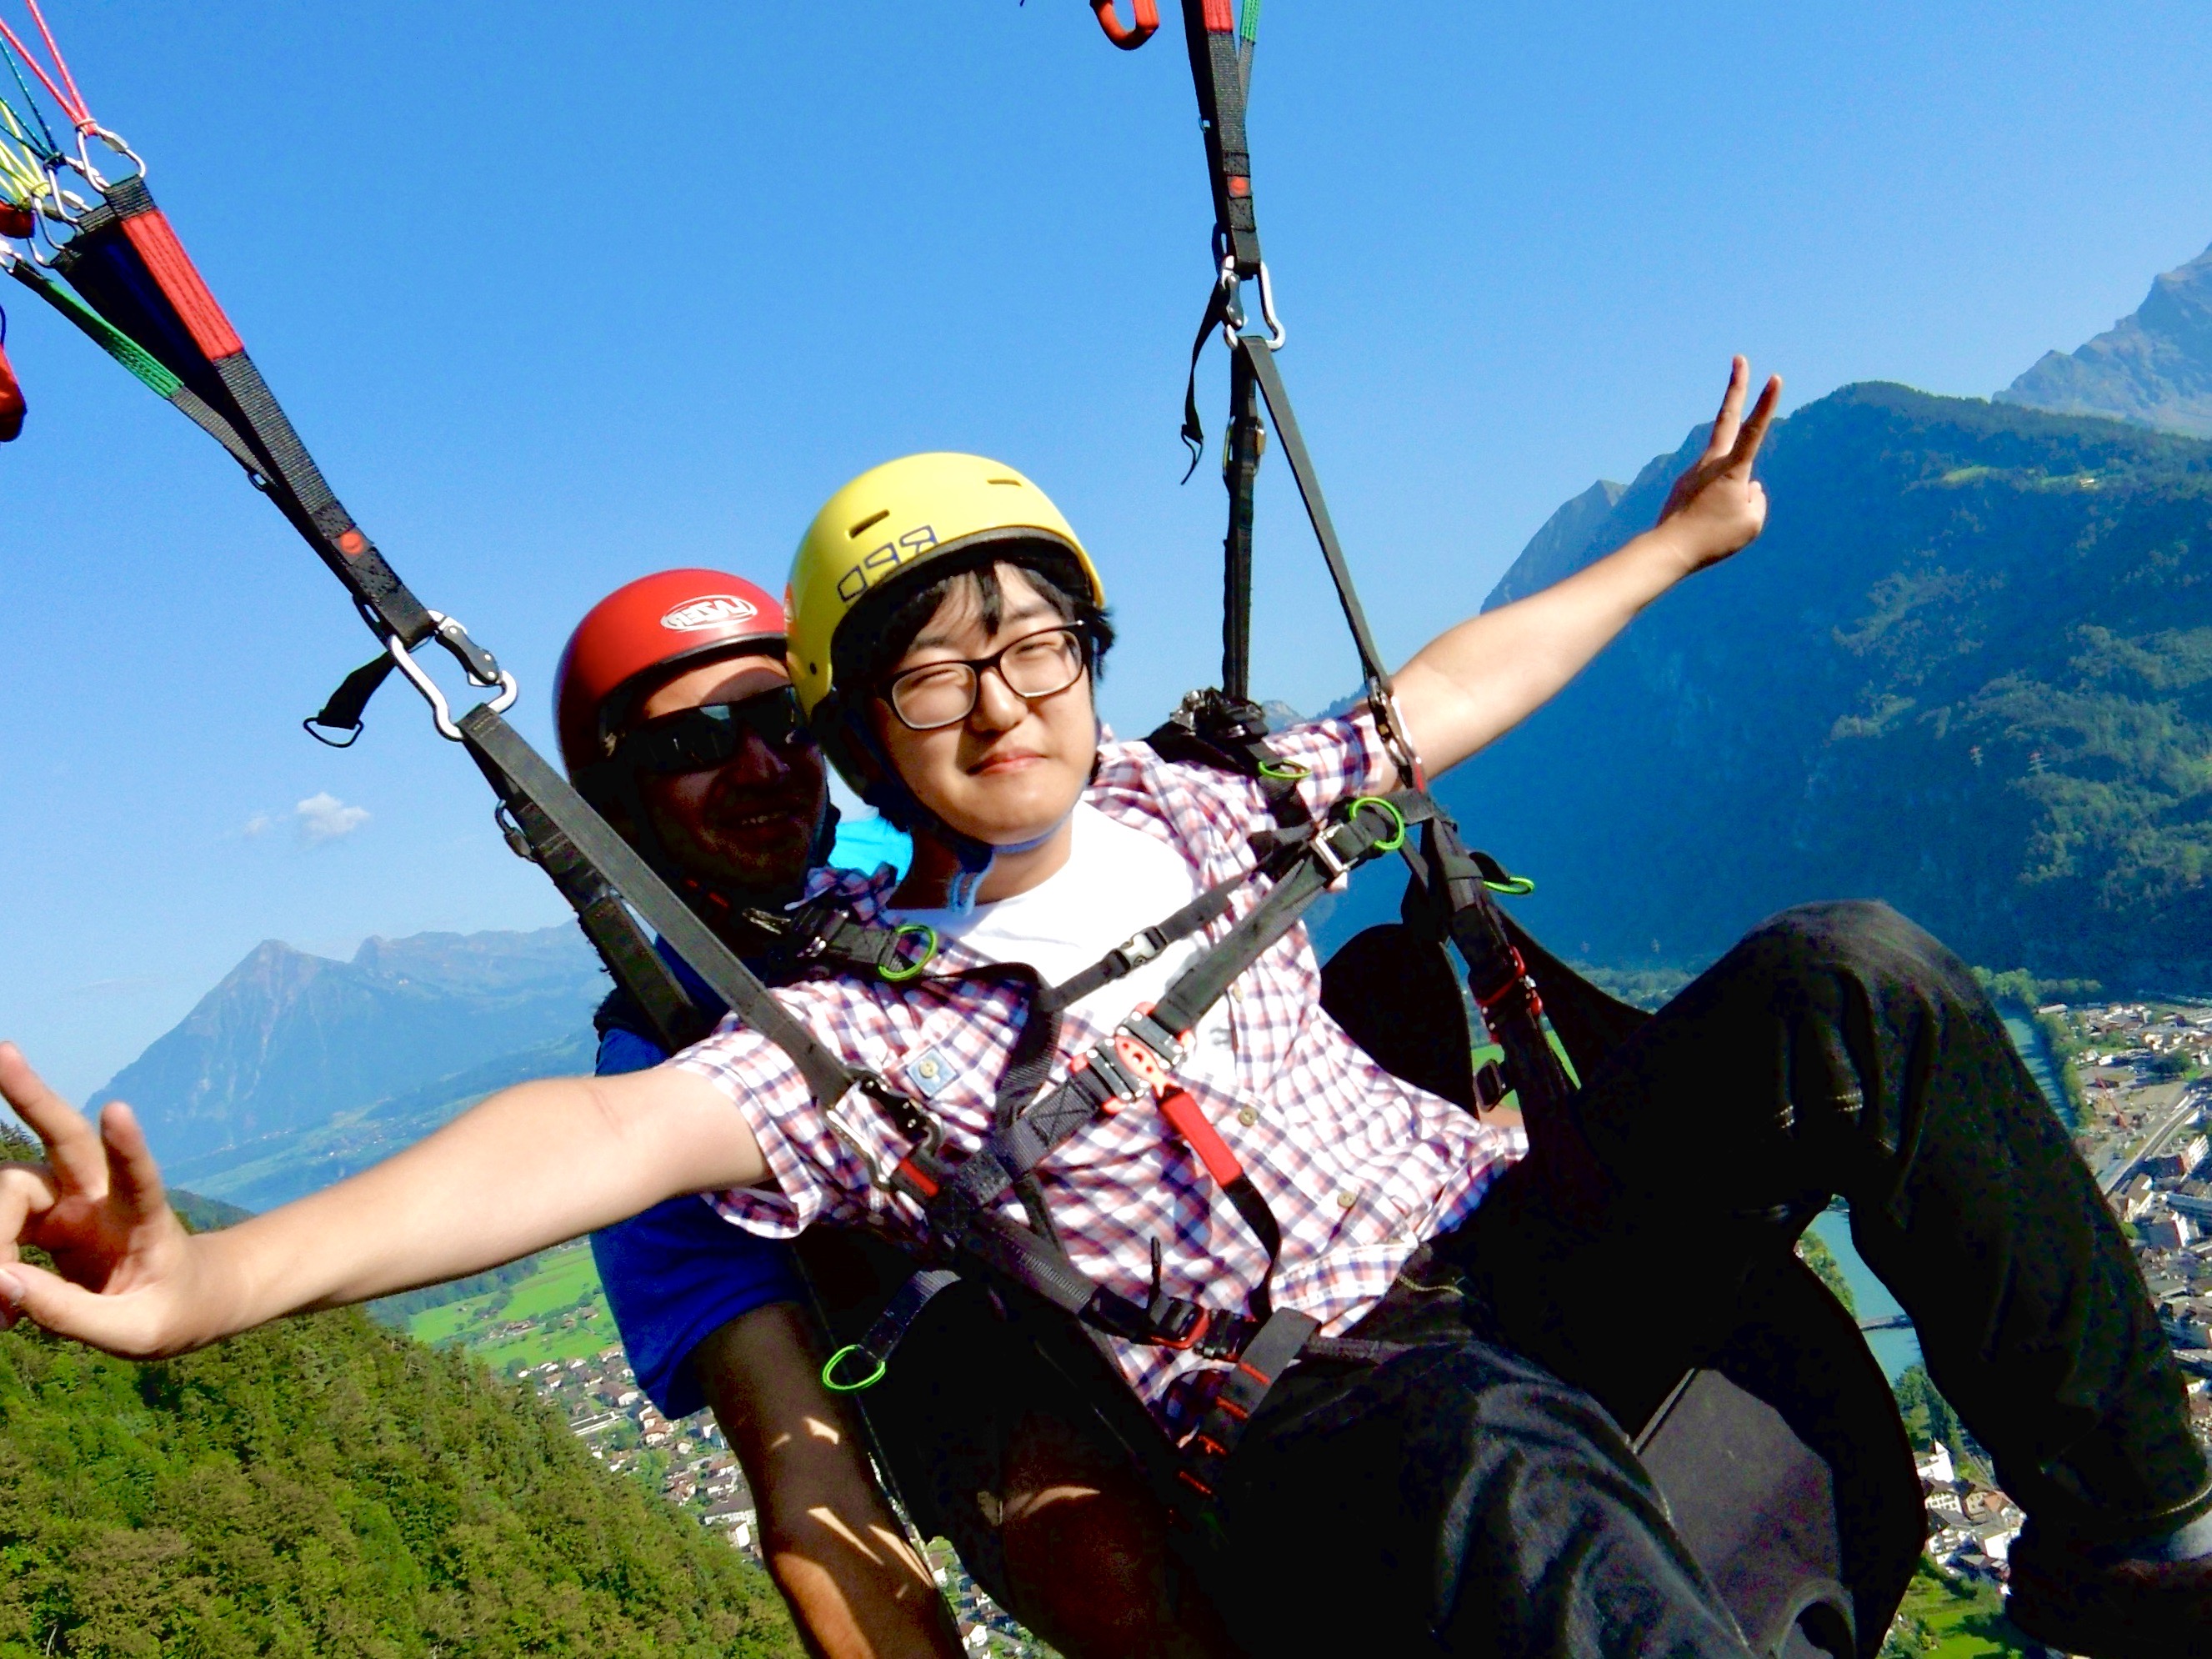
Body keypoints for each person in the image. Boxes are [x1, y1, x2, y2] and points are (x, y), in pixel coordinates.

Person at [1, 359, 2204, 1657]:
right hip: (1324, 1412)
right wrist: (219, 1275)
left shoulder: (1205, 794)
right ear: (886, 744)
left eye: (1030, 637)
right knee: (1464, 1444)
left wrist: (1673, 545)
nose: (997, 685)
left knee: (1849, 972)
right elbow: (581, 1149)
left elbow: (1432, 698)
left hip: (1512, 1249)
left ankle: (2132, 1536)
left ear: (1082, 650)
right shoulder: (862, 1030)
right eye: (926, 670)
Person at [553, 568, 1232, 1659]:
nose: (760, 765)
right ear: (620, 805)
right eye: (693, 743)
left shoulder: (958, 843)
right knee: (1088, 1540)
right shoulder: (662, 1059)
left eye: (777, 719)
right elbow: (800, 1459)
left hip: (1211, 1247)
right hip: (1002, 1389)